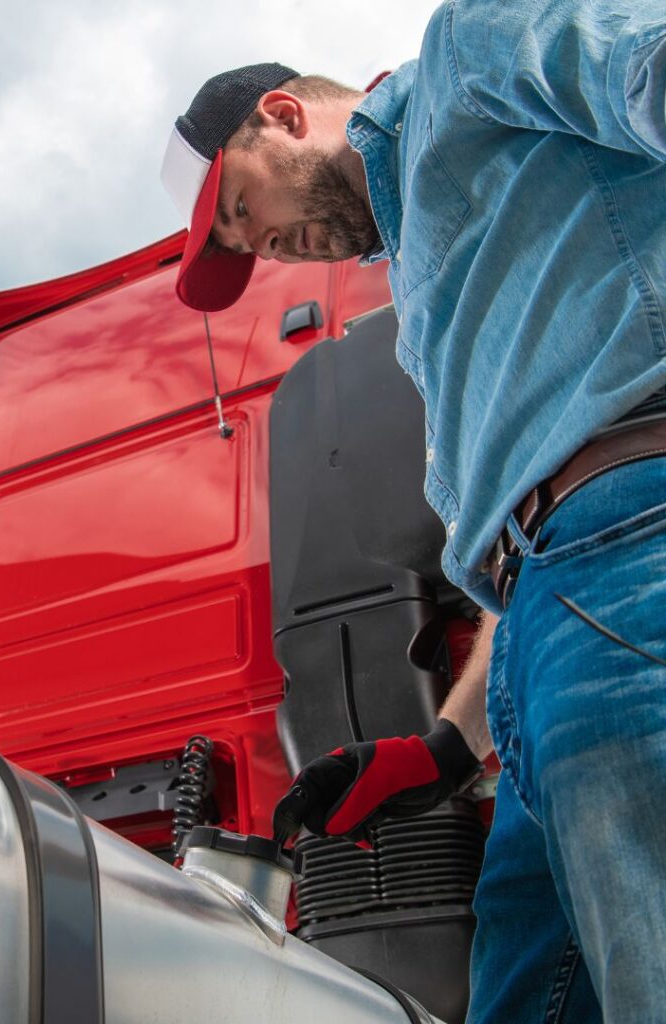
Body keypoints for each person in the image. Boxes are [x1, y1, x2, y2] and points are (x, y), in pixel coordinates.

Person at [159, 3, 666, 1021]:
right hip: (546, 622)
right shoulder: (424, 283)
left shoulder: (465, 53)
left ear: (283, 113)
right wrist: (439, 748)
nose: (265, 245)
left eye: (241, 209)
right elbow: (521, 535)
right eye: (247, 246)